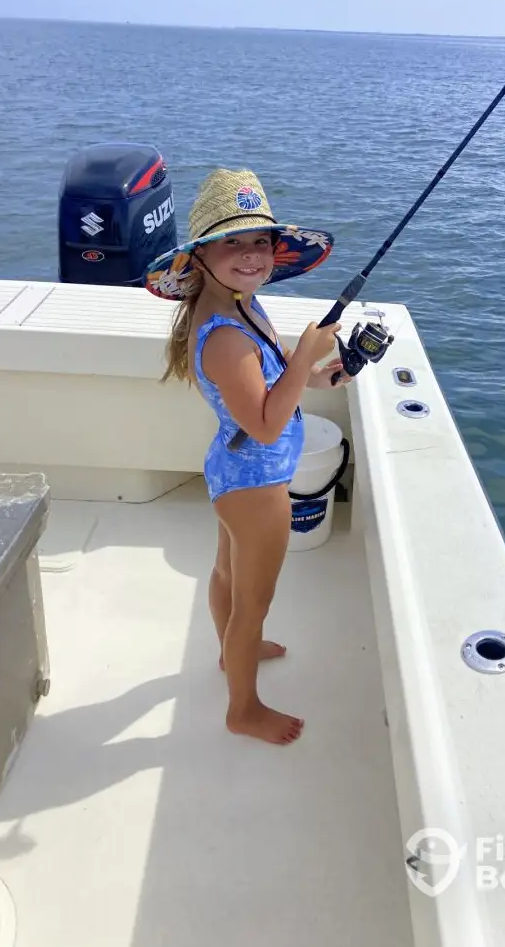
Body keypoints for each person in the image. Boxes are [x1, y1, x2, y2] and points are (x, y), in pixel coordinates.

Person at [145, 168, 349, 745]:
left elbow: (271, 386)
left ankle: (236, 648)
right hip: (256, 482)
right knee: (252, 603)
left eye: (259, 240)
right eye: (231, 242)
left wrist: (317, 373)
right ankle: (243, 708)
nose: (250, 254)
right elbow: (264, 426)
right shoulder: (228, 332)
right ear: (200, 256)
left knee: (227, 573)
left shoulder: (239, 307)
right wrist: (308, 347)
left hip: (232, 469)